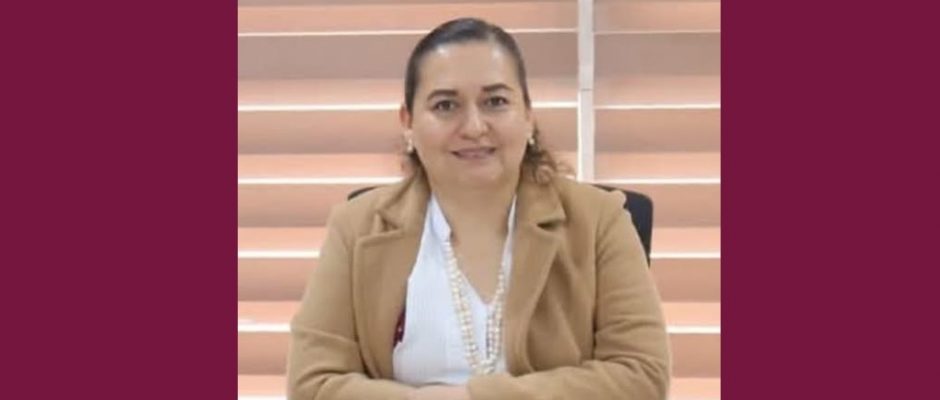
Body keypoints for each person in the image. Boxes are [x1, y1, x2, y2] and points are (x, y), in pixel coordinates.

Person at [287, 17, 671, 400]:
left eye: (495, 102)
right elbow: (313, 383)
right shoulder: (357, 227)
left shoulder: (600, 219)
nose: (473, 127)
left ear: (528, 115)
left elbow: (640, 375)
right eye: (445, 105)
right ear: (408, 122)